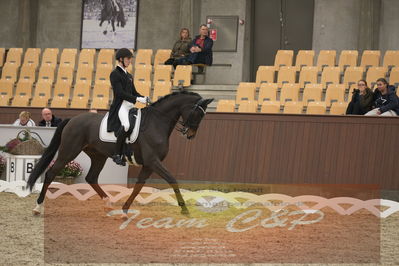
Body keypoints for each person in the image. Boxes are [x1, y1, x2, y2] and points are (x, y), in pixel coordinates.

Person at [107, 48, 149, 166]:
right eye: (128, 59)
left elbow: (133, 92)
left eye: (130, 59)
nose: (130, 61)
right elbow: (120, 93)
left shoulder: (129, 75)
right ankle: (116, 154)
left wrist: (143, 98)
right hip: (121, 106)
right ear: (121, 59)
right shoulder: (115, 74)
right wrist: (137, 99)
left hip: (130, 106)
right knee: (126, 126)